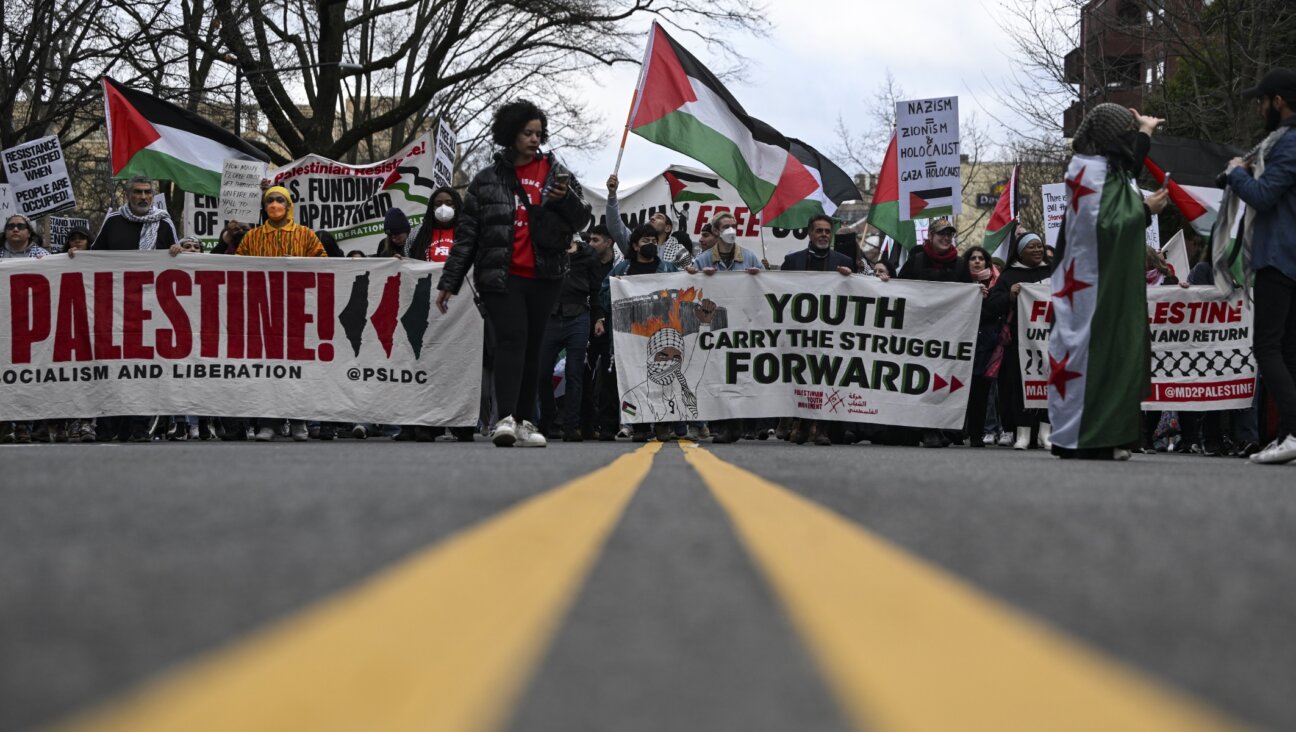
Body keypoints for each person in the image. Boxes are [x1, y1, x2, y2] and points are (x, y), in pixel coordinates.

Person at [436, 99, 592, 448]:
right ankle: (504, 418)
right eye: (527, 133)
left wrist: (564, 198)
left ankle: (525, 421)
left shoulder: (557, 173)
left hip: (545, 275)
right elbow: (467, 236)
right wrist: (450, 281)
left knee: (534, 348)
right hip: (501, 276)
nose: (535, 139)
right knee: (512, 340)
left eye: (539, 133)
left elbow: (583, 219)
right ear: (510, 133)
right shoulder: (486, 180)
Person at [1048, 103, 1169, 460]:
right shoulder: (1090, 173)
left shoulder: (1104, 169)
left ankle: (1106, 435)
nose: (1132, 143)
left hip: (1096, 285)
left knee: (1115, 354)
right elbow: (1107, 225)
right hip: (1090, 289)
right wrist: (1148, 210)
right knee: (1096, 355)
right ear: (1114, 139)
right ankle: (1090, 438)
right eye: (1128, 136)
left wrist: (1146, 130)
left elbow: (1127, 172)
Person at [1225, 67, 1296, 465]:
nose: (1259, 108)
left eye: (1262, 100)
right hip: (1289, 256)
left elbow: (1265, 196)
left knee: (1266, 347)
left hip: (1279, 256)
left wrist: (1237, 174)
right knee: (1288, 351)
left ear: (1278, 102)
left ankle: (1295, 430)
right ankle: (1288, 436)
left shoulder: (1287, 143)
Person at [218, 185, 326, 441]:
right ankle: (269, 422)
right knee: (268, 370)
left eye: (279, 200)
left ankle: (299, 422)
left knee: (297, 369)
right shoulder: (253, 237)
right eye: (269, 200)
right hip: (263, 313)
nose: (274, 204)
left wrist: (298, 265)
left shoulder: (306, 235)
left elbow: (324, 264)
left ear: (289, 205)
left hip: (298, 313)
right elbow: (236, 268)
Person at [687, 211, 763, 444]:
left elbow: (766, 288)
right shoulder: (704, 259)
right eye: (726, 226)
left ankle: (734, 424)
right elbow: (689, 285)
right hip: (715, 330)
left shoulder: (749, 257)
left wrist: (758, 276)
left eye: (734, 225)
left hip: (742, 327)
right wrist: (697, 275)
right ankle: (722, 423)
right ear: (717, 231)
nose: (732, 229)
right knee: (717, 373)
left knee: (736, 374)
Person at [599, 223, 681, 442]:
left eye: (654, 241)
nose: (651, 244)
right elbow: (603, 295)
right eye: (646, 241)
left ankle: (663, 424)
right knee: (629, 381)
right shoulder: (622, 269)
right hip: (628, 337)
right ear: (635, 245)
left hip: (659, 336)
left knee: (661, 380)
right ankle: (638, 426)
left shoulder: (668, 268)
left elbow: (681, 292)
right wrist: (618, 291)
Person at [780, 214, 854, 445]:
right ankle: (801, 425)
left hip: (832, 334)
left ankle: (822, 429)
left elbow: (862, 290)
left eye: (827, 231)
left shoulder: (845, 262)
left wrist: (852, 278)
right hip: (800, 332)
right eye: (819, 231)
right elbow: (777, 291)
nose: (824, 235)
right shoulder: (792, 262)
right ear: (810, 234)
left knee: (827, 377)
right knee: (802, 377)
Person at [987, 232, 1053, 450]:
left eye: (1039, 247)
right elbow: (992, 304)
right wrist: (1010, 296)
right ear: (1020, 252)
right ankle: (1022, 433)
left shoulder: (1053, 272)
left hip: (1050, 340)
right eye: (1031, 247)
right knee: (1020, 386)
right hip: (1020, 343)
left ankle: (1046, 433)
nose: (1037, 250)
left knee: (1049, 385)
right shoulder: (1009, 276)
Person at [538, 233, 605, 441]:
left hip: (578, 316)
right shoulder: (545, 249)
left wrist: (598, 318)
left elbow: (595, 290)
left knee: (574, 373)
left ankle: (570, 426)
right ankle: (548, 419)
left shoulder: (588, 255)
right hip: (549, 316)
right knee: (542, 373)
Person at [605, 174, 694, 268]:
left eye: (659, 217)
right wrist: (612, 195)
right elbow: (615, 225)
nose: (652, 218)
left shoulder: (679, 251)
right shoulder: (634, 242)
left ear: (667, 228)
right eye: (651, 216)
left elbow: (686, 278)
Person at [582, 225, 620, 440]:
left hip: (612, 328)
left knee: (609, 377)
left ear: (609, 242)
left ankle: (608, 426)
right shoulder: (586, 263)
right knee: (583, 375)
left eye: (595, 240)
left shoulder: (619, 266)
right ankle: (585, 424)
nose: (590, 244)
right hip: (587, 325)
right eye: (589, 240)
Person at [962, 245, 1001, 447]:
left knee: (980, 392)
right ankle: (957, 432)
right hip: (962, 341)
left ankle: (977, 434)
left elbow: (995, 310)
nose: (977, 261)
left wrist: (982, 299)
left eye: (981, 258)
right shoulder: (960, 282)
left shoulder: (996, 283)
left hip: (985, 344)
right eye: (972, 258)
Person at [88, 176, 178, 251]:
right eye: (138, 192)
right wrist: (76, 254)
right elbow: (94, 255)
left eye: (147, 192)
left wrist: (177, 250)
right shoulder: (112, 221)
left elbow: (176, 258)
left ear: (152, 196)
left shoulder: (164, 223)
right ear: (128, 195)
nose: (143, 197)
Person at [899, 218, 964, 282]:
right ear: (930, 236)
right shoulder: (915, 261)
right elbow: (900, 286)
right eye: (941, 233)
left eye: (949, 234)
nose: (946, 238)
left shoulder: (960, 264)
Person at [407, 186, 461, 263]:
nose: (443, 207)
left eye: (449, 203)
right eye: (438, 204)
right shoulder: (418, 232)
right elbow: (407, 259)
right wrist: (399, 261)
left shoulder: (468, 231)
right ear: (432, 208)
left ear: (456, 205)